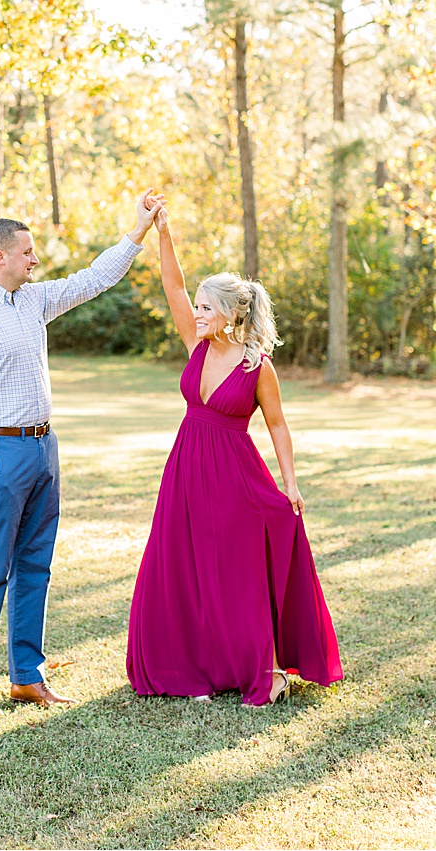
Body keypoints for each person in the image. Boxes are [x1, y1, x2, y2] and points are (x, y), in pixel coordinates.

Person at [0, 193, 163, 717]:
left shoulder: (34, 300)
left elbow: (92, 279)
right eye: (27, 252)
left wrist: (137, 232)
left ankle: (27, 679)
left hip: (44, 449)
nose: (34, 260)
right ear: (0, 257)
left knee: (35, 566)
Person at [125, 202, 342, 705]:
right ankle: (193, 670)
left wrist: (290, 484)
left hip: (235, 475)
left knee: (234, 570)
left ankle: (265, 669)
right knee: (183, 563)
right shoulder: (194, 343)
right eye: (197, 306)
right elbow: (173, 288)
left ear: (231, 313)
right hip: (184, 469)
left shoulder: (257, 367)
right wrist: (164, 234)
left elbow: (279, 425)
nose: (196, 313)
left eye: (205, 307)